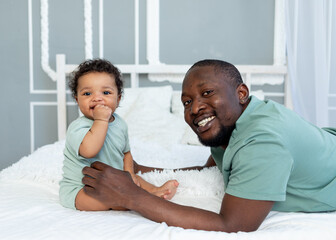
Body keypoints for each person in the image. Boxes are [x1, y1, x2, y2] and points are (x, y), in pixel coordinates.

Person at [81, 59, 336, 231]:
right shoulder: (229, 125)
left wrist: (130, 195)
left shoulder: (262, 141)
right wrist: (139, 168)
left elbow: (233, 224)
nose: (195, 108)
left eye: (207, 93)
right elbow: (208, 171)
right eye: (186, 102)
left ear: (241, 93)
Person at [59, 59, 179, 211]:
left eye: (106, 92)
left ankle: (154, 191)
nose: (97, 98)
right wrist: (101, 120)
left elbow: (126, 153)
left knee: (138, 180)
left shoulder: (120, 124)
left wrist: (129, 177)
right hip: (82, 187)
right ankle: (133, 201)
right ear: (77, 99)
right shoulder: (77, 128)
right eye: (87, 93)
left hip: (114, 182)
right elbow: (89, 151)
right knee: (99, 200)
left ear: (119, 98)